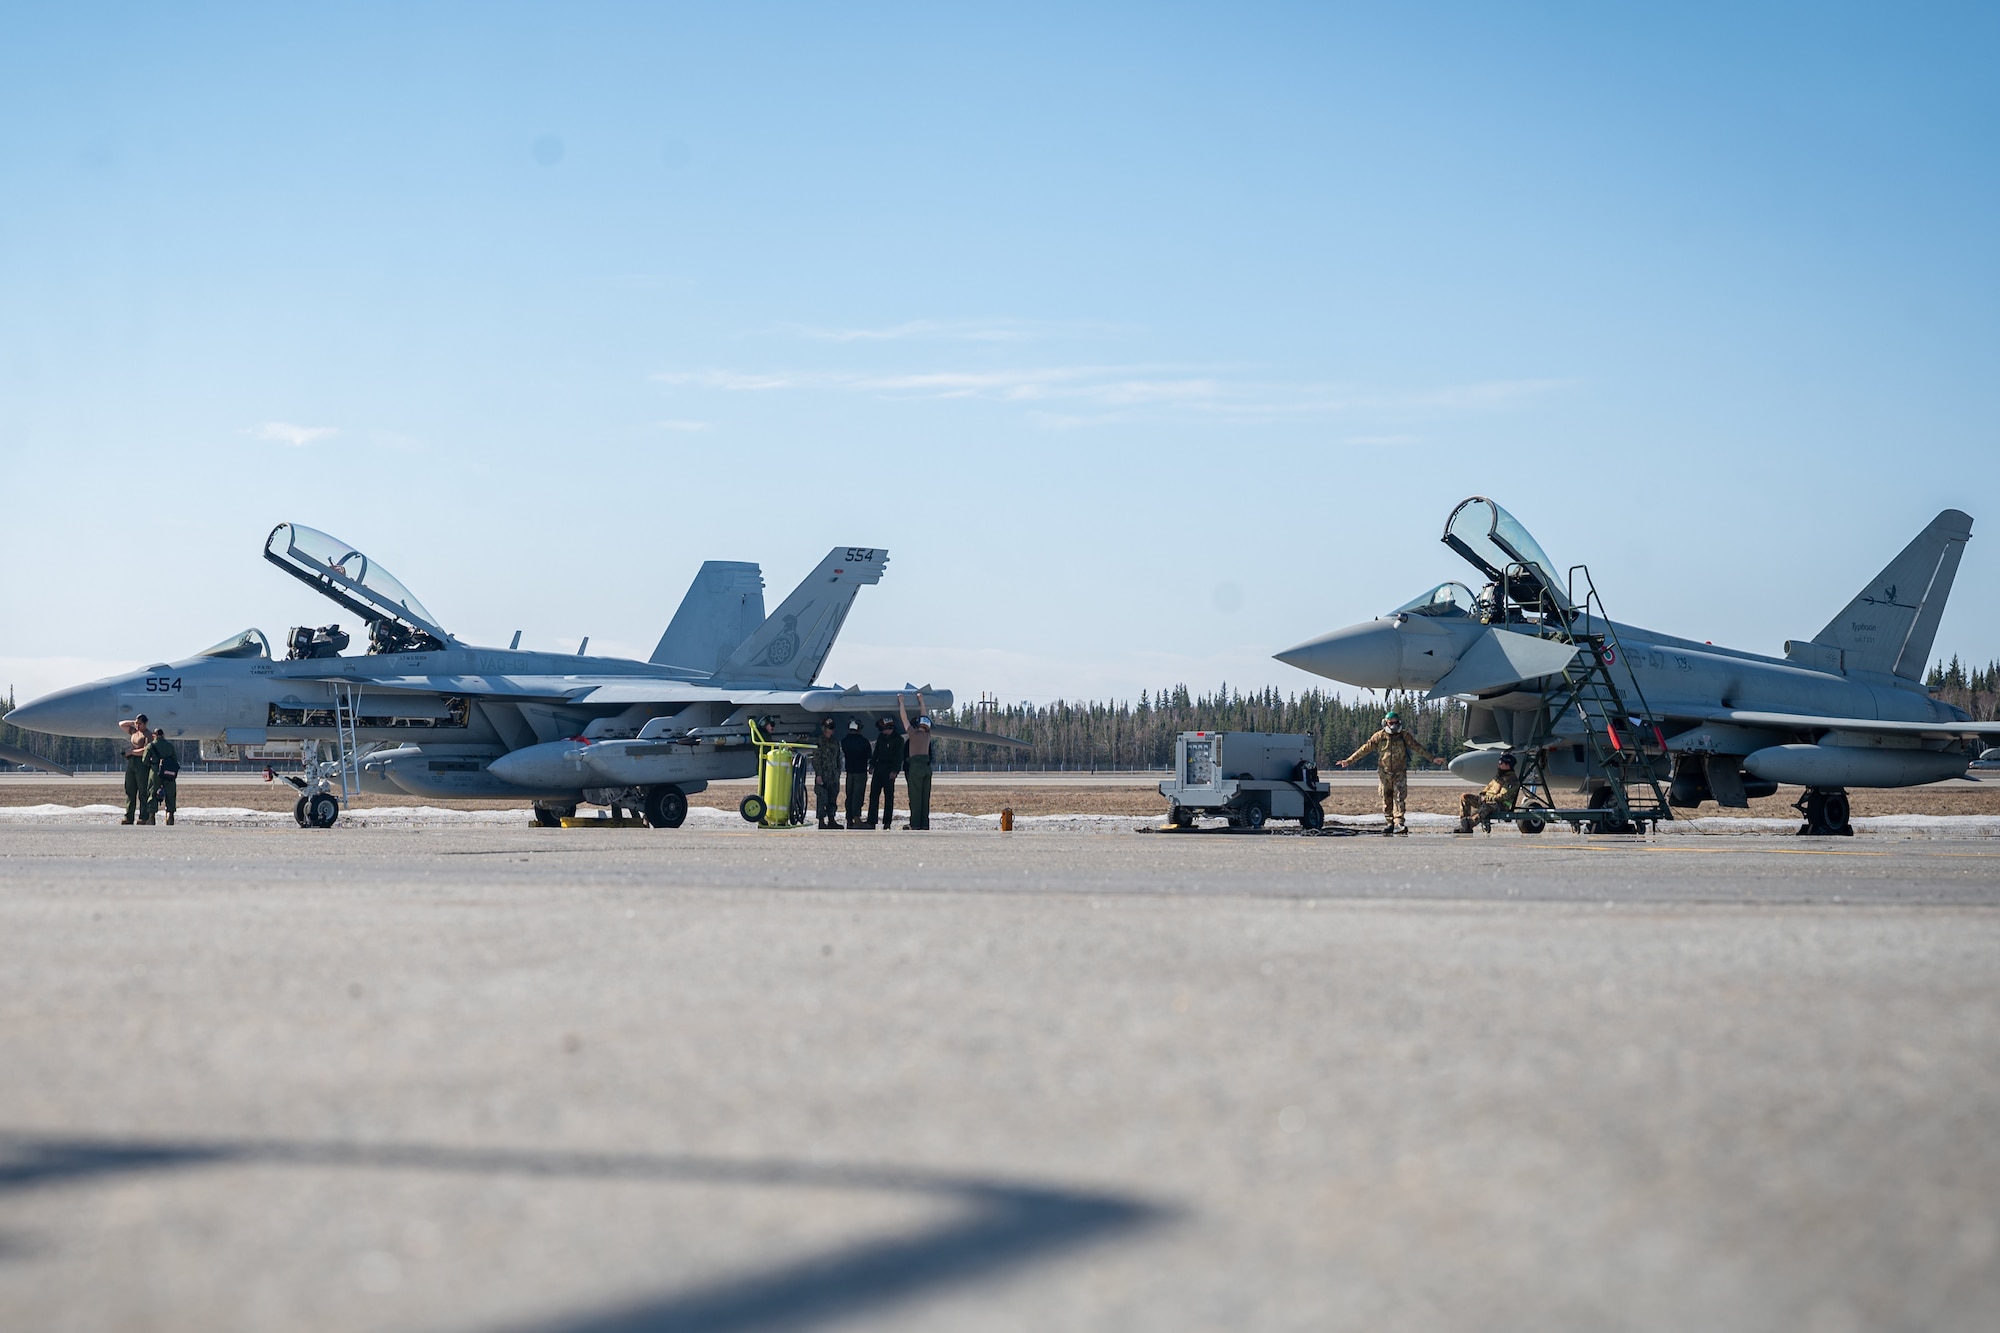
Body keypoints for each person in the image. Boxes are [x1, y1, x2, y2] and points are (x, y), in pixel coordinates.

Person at [1336, 708, 1435, 836]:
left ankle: (1399, 822)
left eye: (1395, 723)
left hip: (1399, 772)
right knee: (1386, 797)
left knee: (1399, 797)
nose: (1393, 726)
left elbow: (1417, 747)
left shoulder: (1404, 735)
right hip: (1384, 773)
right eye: (1390, 723)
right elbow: (1365, 749)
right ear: (1385, 723)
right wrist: (1349, 761)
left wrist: (1432, 758)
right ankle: (1389, 822)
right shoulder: (1380, 736)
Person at [1457, 752, 1520, 833]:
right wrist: (1482, 796)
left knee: (1487, 806)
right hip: (1486, 800)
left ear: (1508, 766)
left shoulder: (1512, 780)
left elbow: (1502, 797)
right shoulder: (1498, 778)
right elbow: (1486, 789)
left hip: (1500, 806)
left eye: (1501, 763)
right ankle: (1464, 824)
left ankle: (1469, 823)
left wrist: (1486, 798)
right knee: (1464, 797)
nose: (1498, 765)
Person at [899, 692, 933, 830]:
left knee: (915, 798)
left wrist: (901, 702)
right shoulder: (928, 734)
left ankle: (915, 824)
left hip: (916, 767)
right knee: (925, 798)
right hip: (926, 767)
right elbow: (925, 716)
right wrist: (922, 701)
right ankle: (924, 824)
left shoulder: (913, 734)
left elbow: (904, 718)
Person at [865, 715, 903, 829]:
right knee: (874, 795)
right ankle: (872, 820)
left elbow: (899, 757)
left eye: (884, 728)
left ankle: (887, 822)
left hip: (890, 769)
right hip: (879, 768)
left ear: (890, 727)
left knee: (889, 797)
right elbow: (876, 752)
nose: (883, 731)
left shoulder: (898, 740)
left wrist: (895, 771)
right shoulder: (881, 737)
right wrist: (872, 765)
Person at [143, 727, 181, 826]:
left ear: (154, 735)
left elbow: (145, 760)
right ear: (163, 735)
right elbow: (175, 759)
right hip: (168, 772)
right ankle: (170, 817)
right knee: (170, 794)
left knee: (152, 793)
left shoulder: (150, 746)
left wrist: (153, 763)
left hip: (155, 771)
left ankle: (151, 818)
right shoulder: (170, 746)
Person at [117, 713, 151, 824]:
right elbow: (121, 724)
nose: (137, 725)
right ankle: (129, 816)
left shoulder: (147, 735)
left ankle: (143, 816)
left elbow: (146, 750)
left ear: (145, 724)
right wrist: (133, 722)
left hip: (142, 763)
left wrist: (131, 752)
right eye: (137, 723)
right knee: (130, 790)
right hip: (132, 762)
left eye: (140, 723)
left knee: (142, 792)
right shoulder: (134, 732)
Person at [840, 719, 871, 829]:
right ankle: (857, 819)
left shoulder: (844, 741)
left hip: (850, 772)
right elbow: (869, 756)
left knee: (850, 796)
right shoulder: (863, 741)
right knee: (858, 796)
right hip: (860, 772)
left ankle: (849, 819)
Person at [813, 717, 842, 829]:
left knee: (832, 798)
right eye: (829, 728)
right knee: (822, 798)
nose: (831, 730)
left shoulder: (835, 742)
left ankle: (831, 819)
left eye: (832, 728)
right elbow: (816, 759)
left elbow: (838, 758)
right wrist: (818, 774)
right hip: (823, 775)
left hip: (833, 775)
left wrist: (838, 772)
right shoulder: (819, 742)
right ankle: (821, 821)